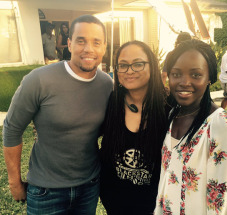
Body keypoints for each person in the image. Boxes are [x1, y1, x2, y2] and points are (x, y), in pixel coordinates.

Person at [3, 15, 113, 214]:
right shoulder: (39, 80)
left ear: (104, 47)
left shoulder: (107, 85)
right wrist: (14, 183)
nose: (89, 49)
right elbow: (12, 128)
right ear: (69, 44)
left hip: (89, 186)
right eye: (81, 41)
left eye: (96, 42)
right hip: (46, 191)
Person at [155, 39, 227, 214]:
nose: (184, 82)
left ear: (209, 78)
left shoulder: (223, 127)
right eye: (176, 74)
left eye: (196, 75)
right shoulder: (173, 114)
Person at [100, 40, 170, 215]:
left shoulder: (169, 106)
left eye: (138, 64)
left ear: (152, 66)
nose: (129, 71)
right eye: (123, 65)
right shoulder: (111, 102)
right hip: (116, 205)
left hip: (156, 207)